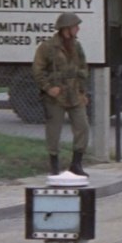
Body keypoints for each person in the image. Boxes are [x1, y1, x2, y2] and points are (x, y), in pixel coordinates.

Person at [32, 12, 90, 176]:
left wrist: (82, 91)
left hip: (74, 94)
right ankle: (54, 165)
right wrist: (48, 88)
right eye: (75, 26)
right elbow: (38, 70)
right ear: (66, 28)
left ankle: (76, 164)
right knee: (54, 130)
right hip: (55, 97)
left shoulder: (76, 46)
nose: (77, 29)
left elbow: (83, 69)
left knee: (83, 127)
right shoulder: (47, 47)